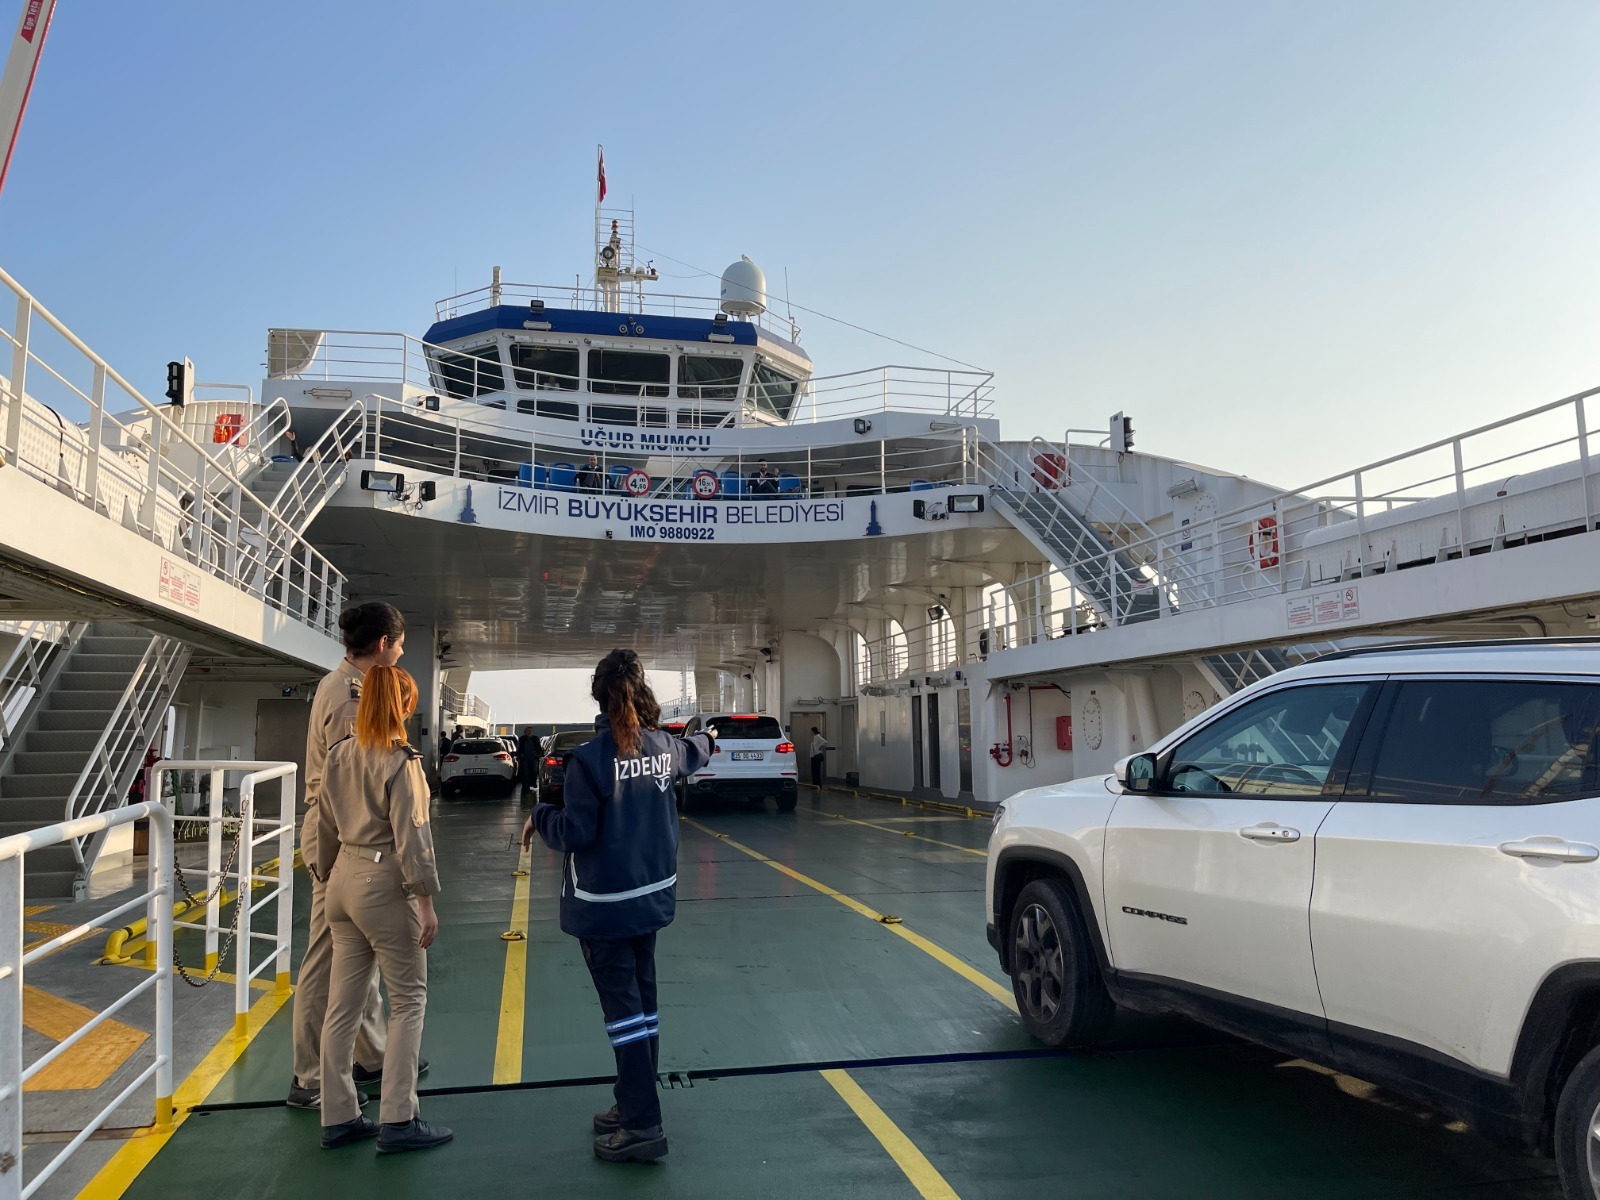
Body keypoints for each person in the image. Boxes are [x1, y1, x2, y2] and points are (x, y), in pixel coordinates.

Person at [521, 650, 715, 1164]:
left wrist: (540, 814)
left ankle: (643, 1124)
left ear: (598, 697)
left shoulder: (589, 761)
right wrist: (708, 738)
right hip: (650, 899)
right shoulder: (665, 748)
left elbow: (576, 832)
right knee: (644, 1007)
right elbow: (696, 750)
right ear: (642, 692)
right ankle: (633, 1102)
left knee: (625, 1016)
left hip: (604, 907)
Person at [317, 665, 450, 1154]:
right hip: (382, 883)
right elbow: (413, 836)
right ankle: (399, 1118)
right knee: (409, 999)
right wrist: (425, 901)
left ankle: (338, 1116)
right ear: (404, 706)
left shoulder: (339, 753)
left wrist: (325, 872)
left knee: (342, 1007)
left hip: (341, 881)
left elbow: (323, 823)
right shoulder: (400, 760)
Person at [286, 603, 402, 1111]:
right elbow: (350, 779)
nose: (401, 653)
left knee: (357, 946)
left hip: (341, 829)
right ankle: (310, 1076)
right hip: (340, 834)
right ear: (382, 644)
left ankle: (372, 1055)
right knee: (328, 955)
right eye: (400, 645)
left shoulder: (342, 686)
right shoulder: (350, 700)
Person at [516, 725, 541, 789]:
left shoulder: (535, 738)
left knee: (535, 771)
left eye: (530, 731)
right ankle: (526, 784)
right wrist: (520, 755)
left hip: (534, 757)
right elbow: (519, 748)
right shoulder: (521, 739)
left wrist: (538, 754)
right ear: (525, 731)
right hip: (525, 758)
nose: (529, 732)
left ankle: (533, 782)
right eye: (528, 731)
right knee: (526, 772)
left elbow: (539, 747)